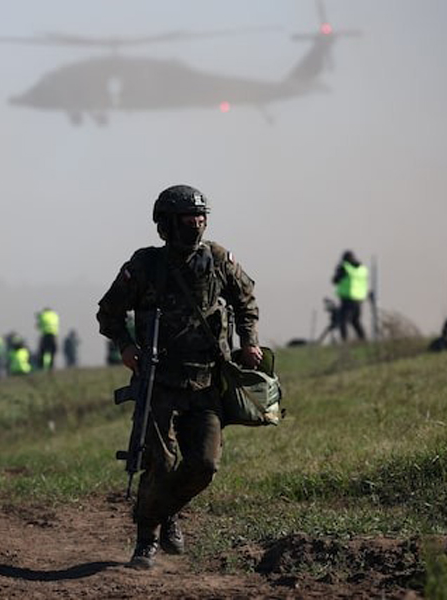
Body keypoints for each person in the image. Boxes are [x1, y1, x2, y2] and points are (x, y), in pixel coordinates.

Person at [97, 184, 262, 570]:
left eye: (202, 217)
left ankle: (165, 510)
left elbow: (246, 301)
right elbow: (109, 313)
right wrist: (125, 346)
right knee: (161, 464)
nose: (197, 224)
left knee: (204, 465)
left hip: (206, 384)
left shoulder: (219, 259)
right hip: (160, 383)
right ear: (168, 224)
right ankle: (146, 541)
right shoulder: (144, 266)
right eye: (189, 218)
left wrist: (249, 341)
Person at [331, 250, 369, 341]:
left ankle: (344, 341)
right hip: (359, 299)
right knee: (355, 321)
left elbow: (335, 280)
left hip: (348, 299)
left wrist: (339, 270)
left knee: (342, 321)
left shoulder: (345, 269)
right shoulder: (361, 269)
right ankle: (363, 339)